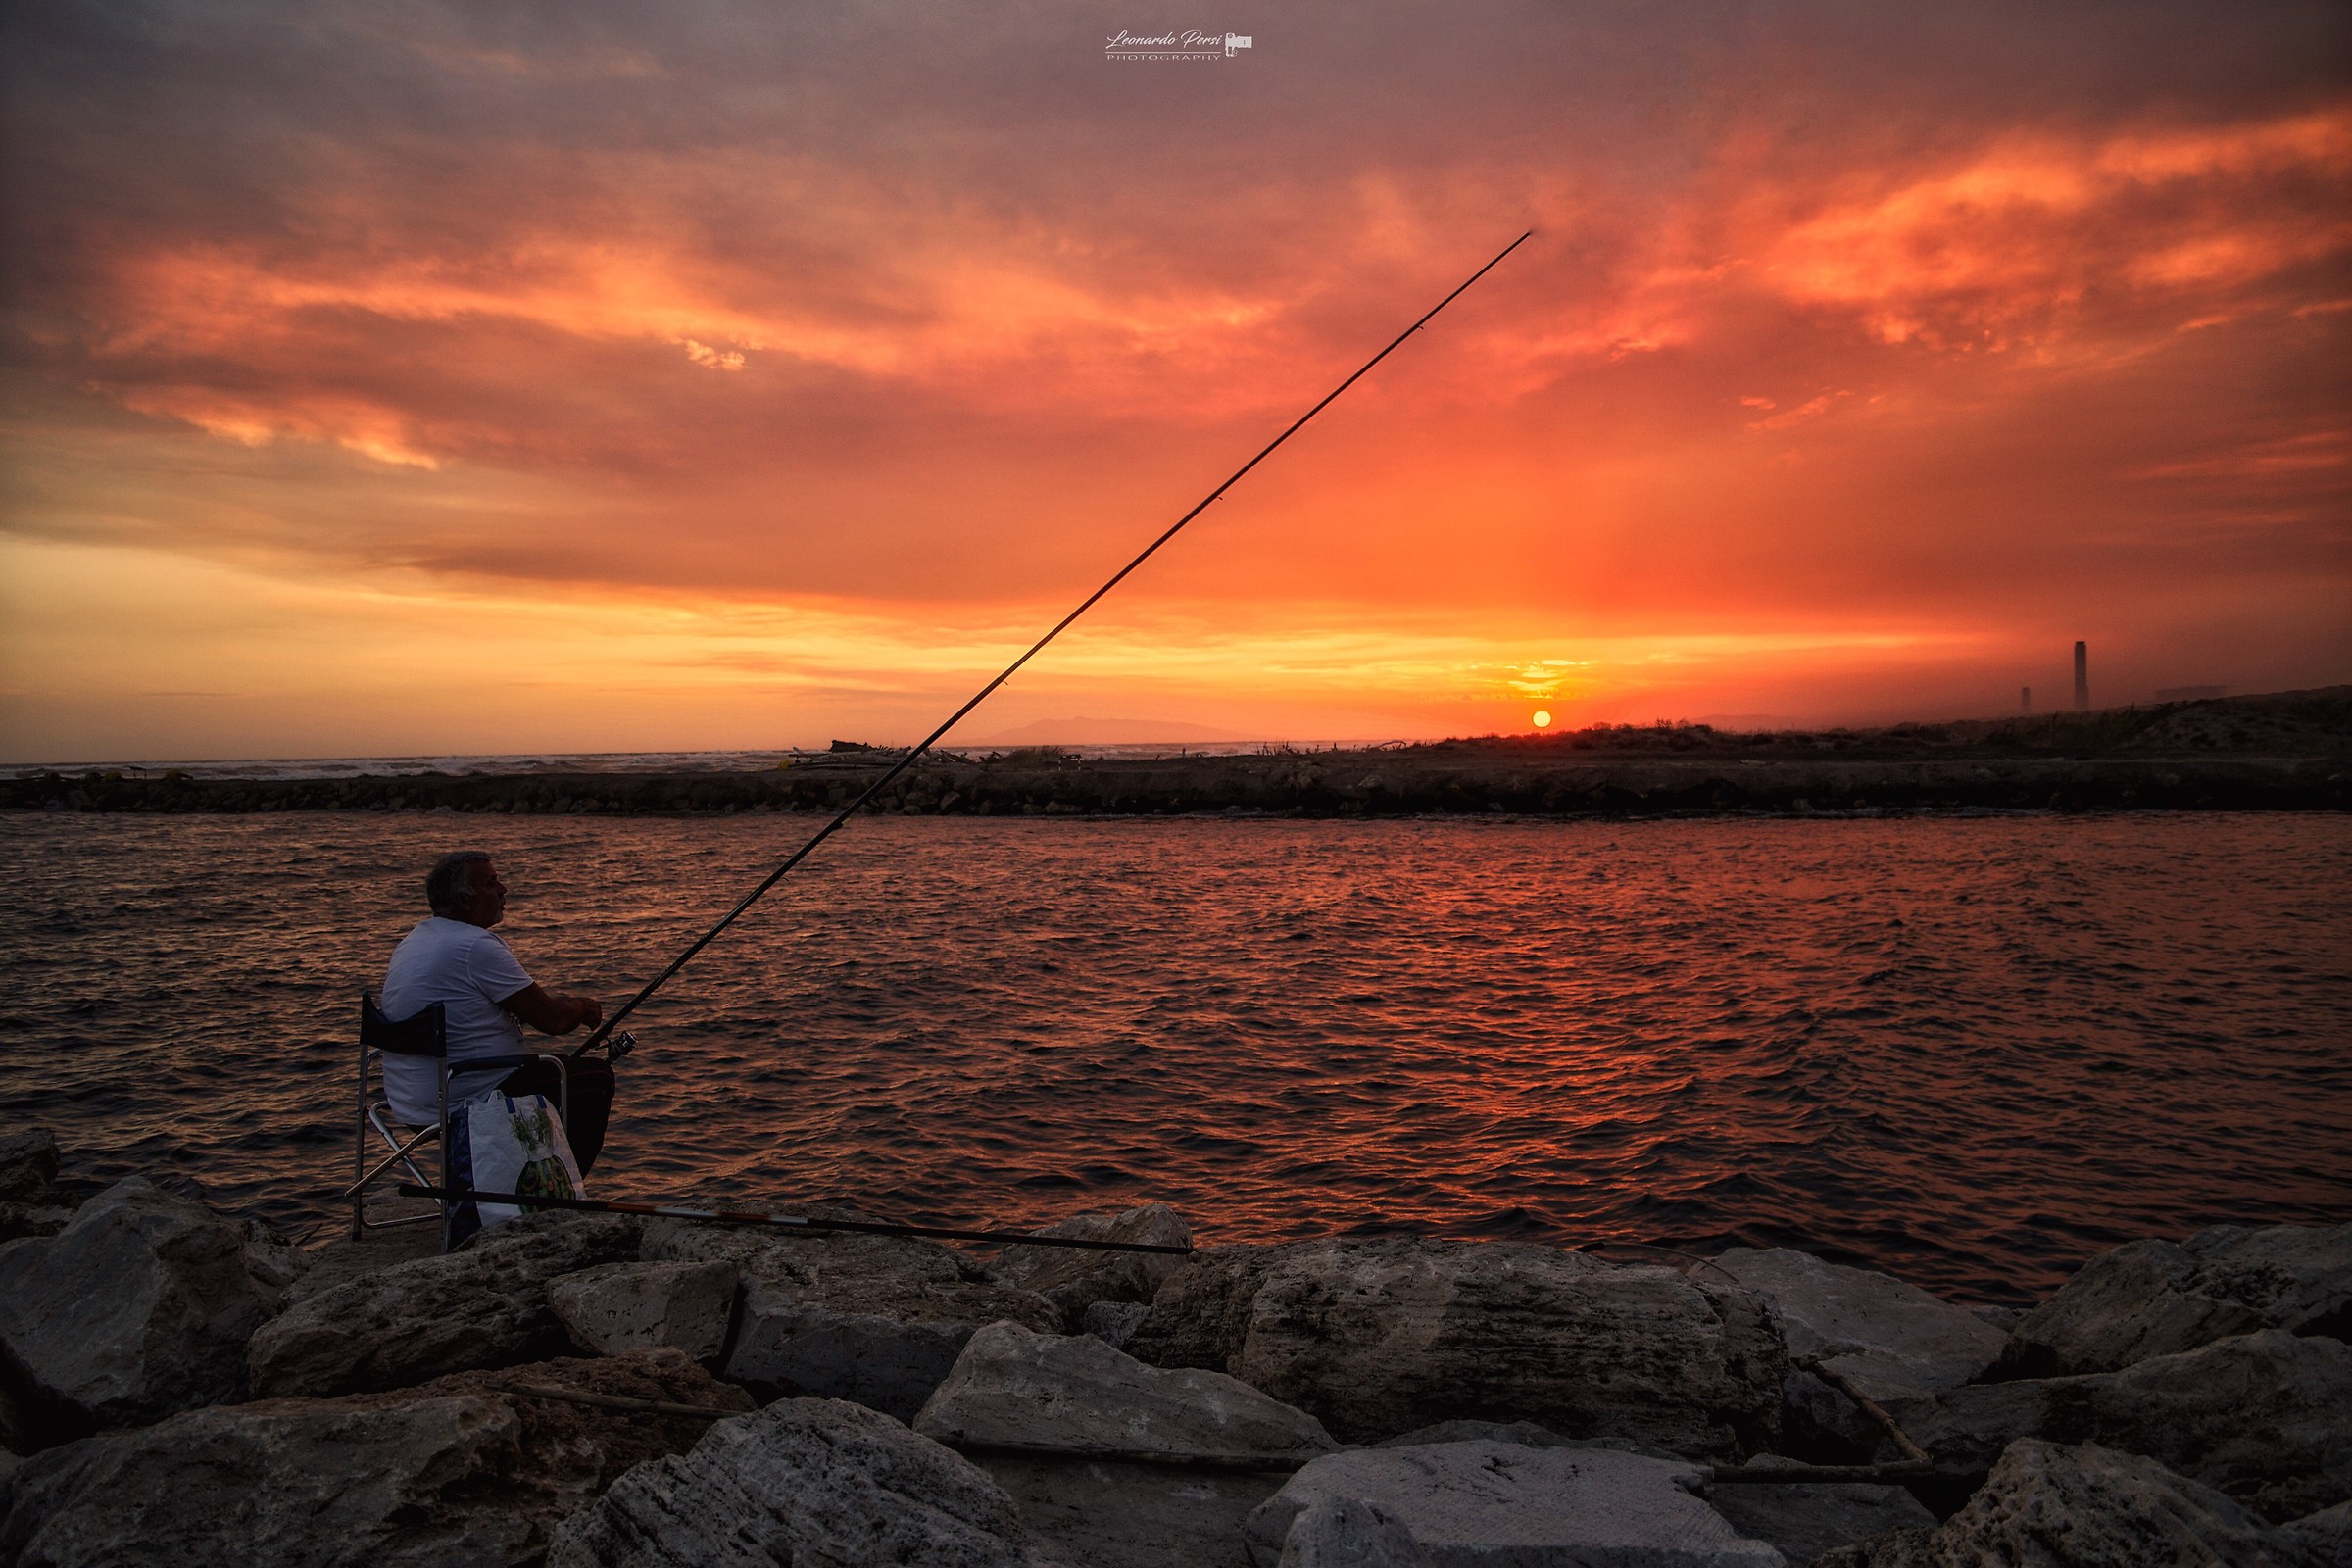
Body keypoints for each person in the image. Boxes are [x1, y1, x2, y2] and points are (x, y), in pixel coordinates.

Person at [379, 851, 616, 1172]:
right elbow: (553, 1020)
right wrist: (581, 1007)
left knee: (558, 1068)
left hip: (410, 1103)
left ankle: (512, 1181)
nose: (503, 889)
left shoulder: (416, 941)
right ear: (463, 901)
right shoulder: (475, 946)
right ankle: (557, 1193)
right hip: (465, 1099)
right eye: (491, 884)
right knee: (594, 1078)